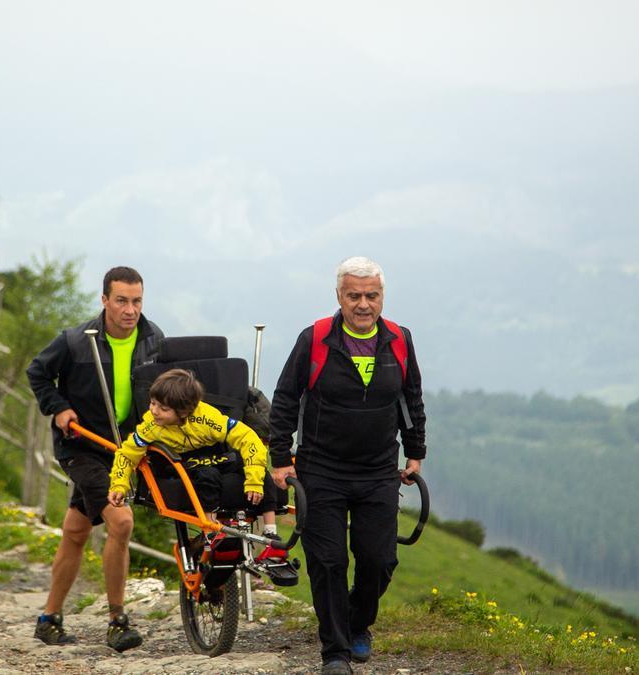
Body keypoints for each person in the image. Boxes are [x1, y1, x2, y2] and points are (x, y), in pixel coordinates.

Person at [268, 256, 426, 675]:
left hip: (378, 471)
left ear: (382, 296)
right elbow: (285, 399)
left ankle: (357, 623)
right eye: (354, 295)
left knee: (379, 560)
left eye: (371, 295)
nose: (363, 304)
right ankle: (335, 652)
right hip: (321, 470)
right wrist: (280, 459)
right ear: (339, 296)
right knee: (328, 562)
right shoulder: (315, 339)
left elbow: (411, 399)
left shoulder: (399, 339)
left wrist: (415, 453)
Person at [26, 266, 162, 652]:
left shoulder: (154, 340)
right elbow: (37, 373)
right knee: (121, 522)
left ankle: (49, 619)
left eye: (136, 301)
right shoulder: (74, 341)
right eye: (121, 301)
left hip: (126, 450)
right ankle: (118, 621)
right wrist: (58, 407)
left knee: (75, 532)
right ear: (104, 300)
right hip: (82, 447)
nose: (130, 310)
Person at [106, 368, 282, 544]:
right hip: (185, 464)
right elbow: (127, 455)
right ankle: (210, 531)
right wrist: (119, 485)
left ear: (183, 412)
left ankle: (270, 530)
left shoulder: (207, 418)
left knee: (258, 469)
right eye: (152, 403)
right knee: (208, 475)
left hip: (217, 456)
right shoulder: (150, 427)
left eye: (163, 408)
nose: (154, 411)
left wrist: (254, 481)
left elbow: (248, 438)